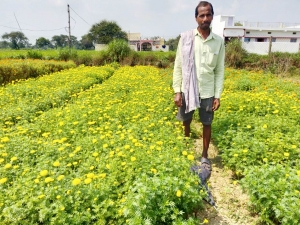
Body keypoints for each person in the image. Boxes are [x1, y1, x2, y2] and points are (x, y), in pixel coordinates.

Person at [172, 1, 225, 183]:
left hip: (208, 91)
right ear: (196, 18)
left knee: (206, 123)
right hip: (187, 89)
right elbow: (179, 65)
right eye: (201, 15)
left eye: (208, 15)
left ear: (212, 17)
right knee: (186, 121)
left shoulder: (218, 41)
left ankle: (204, 155)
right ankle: (186, 149)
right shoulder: (187, 38)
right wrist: (177, 91)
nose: (205, 18)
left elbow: (219, 70)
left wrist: (217, 95)